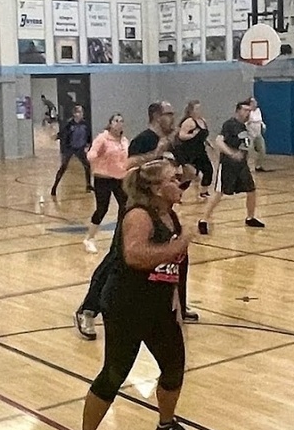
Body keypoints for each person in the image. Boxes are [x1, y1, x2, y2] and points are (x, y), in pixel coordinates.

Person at [71, 160, 196, 430]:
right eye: (173, 179)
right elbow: (135, 256)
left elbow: (173, 270)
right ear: (156, 189)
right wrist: (179, 245)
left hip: (158, 306)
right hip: (126, 305)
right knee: (114, 373)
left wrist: (178, 306)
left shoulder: (169, 211)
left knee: (173, 367)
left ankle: (165, 424)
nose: (179, 183)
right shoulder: (139, 216)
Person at [75, 101, 198, 339]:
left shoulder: (171, 142)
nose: (173, 118)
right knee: (116, 259)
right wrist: (154, 154)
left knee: (178, 255)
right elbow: (128, 169)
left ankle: (178, 305)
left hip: (162, 208)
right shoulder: (144, 140)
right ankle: (88, 310)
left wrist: (186, 176)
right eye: (168, 114)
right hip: (138, 210)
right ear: (156, 116)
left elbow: (177, 174)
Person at [198, 99, 266, 235]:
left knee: (251, 190)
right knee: (219, 193)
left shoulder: (244, 126)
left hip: (242, 166)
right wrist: (231, 153)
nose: (247, 113)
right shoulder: (229, 124)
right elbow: (218, 141)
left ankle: (250, 217)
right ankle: (203, 220)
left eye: (249, 111)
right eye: (245, 110)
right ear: (238, 111)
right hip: (228, 165)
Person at [83, 114, 130, 254]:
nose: (119, 124)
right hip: (103, 178)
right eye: (116, 121)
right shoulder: (102, 138)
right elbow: (90, 155)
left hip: (119, 178)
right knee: (102, 209)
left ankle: (121, 237)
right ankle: (89, 238)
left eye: (121, 121)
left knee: (125, 207)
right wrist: (96, 154)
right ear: (110, 123)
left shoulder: (124, 141)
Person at [174, 100, 215, 197]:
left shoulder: (203, 121)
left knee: (208, 170)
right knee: (191, 174)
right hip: (190, 151)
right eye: (196, 109)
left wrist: (209, 143)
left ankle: (204, 191)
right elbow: (181, 135)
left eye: (200, 108)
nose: (199, 111)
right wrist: (192, 135)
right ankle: (177, 192)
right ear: (191, 110)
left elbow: (203, 135)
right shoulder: (189, 122)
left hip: (200, 151)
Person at [51, 104, 93, 197]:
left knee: (87, 165)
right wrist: (57, 136)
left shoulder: (85, 124)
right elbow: (63, 133)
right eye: (79, 112)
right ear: (75, 113)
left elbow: (89, 135)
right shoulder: (70, 124)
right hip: (70, 148)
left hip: (80, 148)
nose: (81, 114)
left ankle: (88, 185)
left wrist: (88, 145)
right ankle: (54, 186)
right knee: (63, 167)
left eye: (82, 112)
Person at [246, 96, 268, 172]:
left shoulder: (258, 111)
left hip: (258, 134)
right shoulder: (247, 112)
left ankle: (258, 166)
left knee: (262, 149)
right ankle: (246, 167)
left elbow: (260, 120)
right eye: (253, 102)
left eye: (255, 102)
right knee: (249, 151)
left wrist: (263, 125)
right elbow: (244, 122)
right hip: (250, 135)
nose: (255, 103)